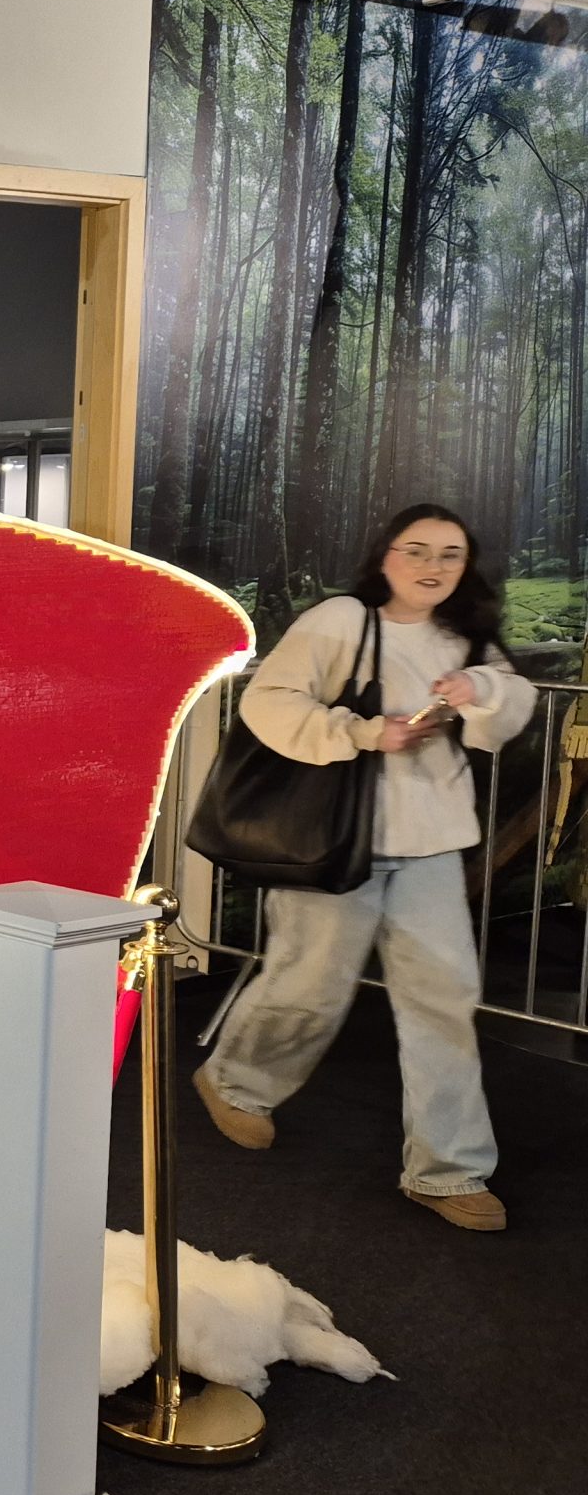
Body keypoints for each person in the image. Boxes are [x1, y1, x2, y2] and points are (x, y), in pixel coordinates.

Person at [193, 505, 532, 1230]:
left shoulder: (464, 636)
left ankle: (448, 1170)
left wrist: (482, 690)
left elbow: (510, 710)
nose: (433, 566)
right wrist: (364, 732)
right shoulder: (342, 620)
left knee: (444, 1000)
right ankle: (235, 1083)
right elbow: (269, 703)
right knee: (310, 984)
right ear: (385, 556)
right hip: (334, 838)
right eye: (417, 550)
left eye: (450, 554)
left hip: (431, 842)